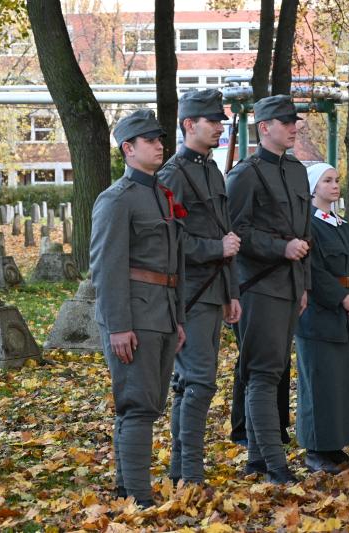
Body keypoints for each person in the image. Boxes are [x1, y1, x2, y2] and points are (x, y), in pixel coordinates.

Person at [90, 109, 186, 507]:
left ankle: (126, 485)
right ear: (129, 149)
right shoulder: (116, 200)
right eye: (149, 140)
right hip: (134, 315)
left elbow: (172, 264)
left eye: (160, 138)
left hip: (161, 313)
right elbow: (106, 267)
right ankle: (140, 497)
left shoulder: (159, 195)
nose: (159, 145)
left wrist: (177, 319)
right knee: (138, 406)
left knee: (144, 404)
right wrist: (117, 326)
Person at [226, 95, 311, 484]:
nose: (295, 127)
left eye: (295, 121)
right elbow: (236, 232)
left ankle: (258, 460)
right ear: (264, 128)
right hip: (258, 287)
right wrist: (280, 248)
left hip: (289, 287)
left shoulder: (295, 170)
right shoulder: (245, 173)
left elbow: (304, 231)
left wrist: (303, 283)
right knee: (262, 374)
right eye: (286, 121)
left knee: (273, 373)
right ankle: (276, 465)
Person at [158, 89, 240, 486]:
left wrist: (232, 293)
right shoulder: (173, 173)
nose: (220, 128)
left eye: (221, 121)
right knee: (200, 381)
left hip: (213, 292)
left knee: (189, 382)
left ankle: (181, 469)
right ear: (190, 125)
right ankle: (189, 471)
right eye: (213, 121)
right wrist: (215, 249)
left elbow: (224, 232)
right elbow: (171, 241)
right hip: (189, 294)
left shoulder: (212, 170)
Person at [294, 163, 349, 473]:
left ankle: (334, 445)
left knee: (340, 384)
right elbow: (313, 270)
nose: (335, 185)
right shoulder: (308, 225)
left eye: (337, 179)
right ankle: (315, 449)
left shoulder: (341, 224)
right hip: (320, 314)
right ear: (314, 188)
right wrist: (342, 297)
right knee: (319, 383)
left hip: (344, 315)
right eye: (327, 181)